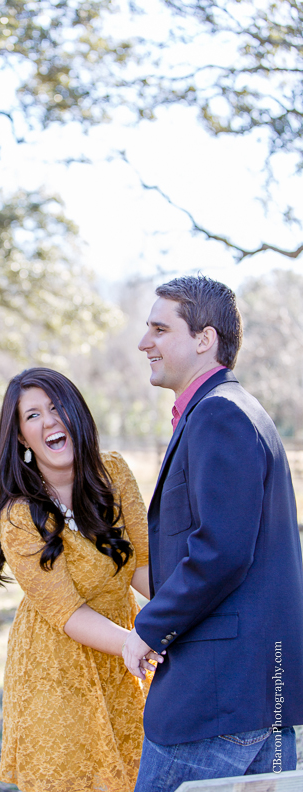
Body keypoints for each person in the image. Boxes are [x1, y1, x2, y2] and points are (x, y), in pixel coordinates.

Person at [122, 275, 303, 791]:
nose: (144, 342)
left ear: (204, 339)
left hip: (215, 699)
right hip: (254, 699)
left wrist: (147, 629)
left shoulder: (220, 415)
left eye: (160, 328)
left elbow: (220, 552)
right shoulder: (228, 411)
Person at [0, 367, 162, 792]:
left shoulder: (113, 473)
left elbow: (142, 566)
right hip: (56, 662)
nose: (49, 420)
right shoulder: (19, 517)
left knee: (136, 773)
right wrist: (131, 643)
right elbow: (67, 612)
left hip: (124, 651)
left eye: (56, 406)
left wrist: (190, 607)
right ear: (22, 439)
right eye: (32, 416)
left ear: (76, 413)